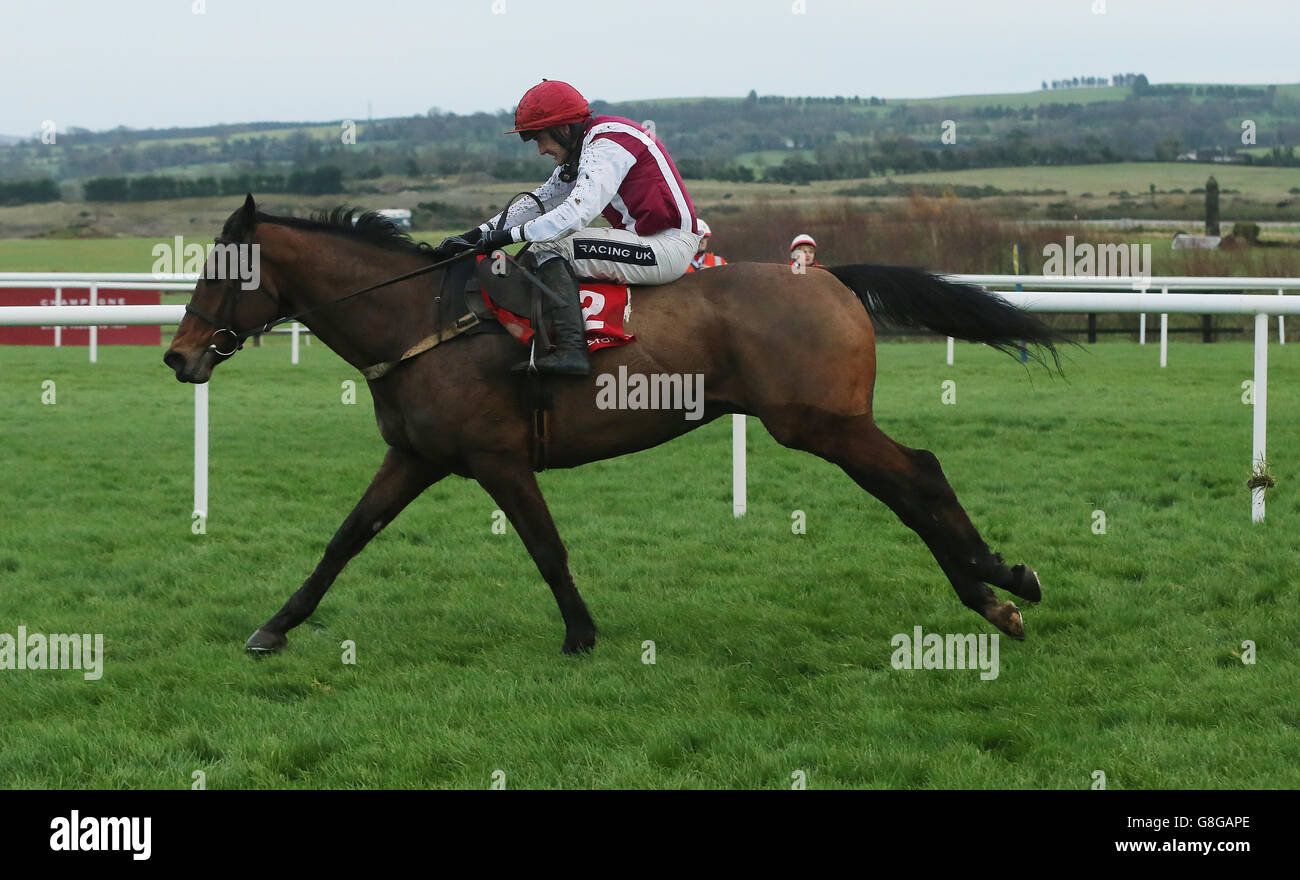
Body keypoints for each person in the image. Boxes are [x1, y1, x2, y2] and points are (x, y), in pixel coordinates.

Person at [434, 79, 701, 375]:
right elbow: (538, 202)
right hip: (646, 241)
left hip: (667, 248)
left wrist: (503, 237)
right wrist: (474, 236)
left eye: (540, 138)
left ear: (564, 129)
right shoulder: (585, 147)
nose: (540, 150)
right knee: (538, 246)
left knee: (549, 245)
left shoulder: (607, 143)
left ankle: (571, 350)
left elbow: (576, 214)